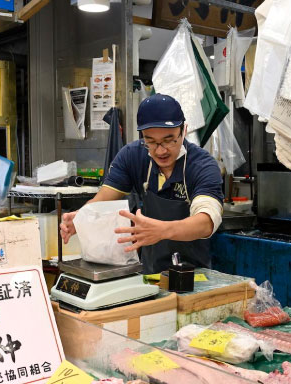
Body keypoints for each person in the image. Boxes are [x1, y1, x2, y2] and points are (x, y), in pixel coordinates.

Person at [60, 94, 224, 274]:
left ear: (183, 131)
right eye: (151, 141)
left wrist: (163, 230)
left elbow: (206, 222)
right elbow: (104, 198)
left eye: (169, 140)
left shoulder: (202, 166)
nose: (160, 150)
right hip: (150, 273)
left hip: (194, 274)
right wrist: (82, 217)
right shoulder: (132, 156)